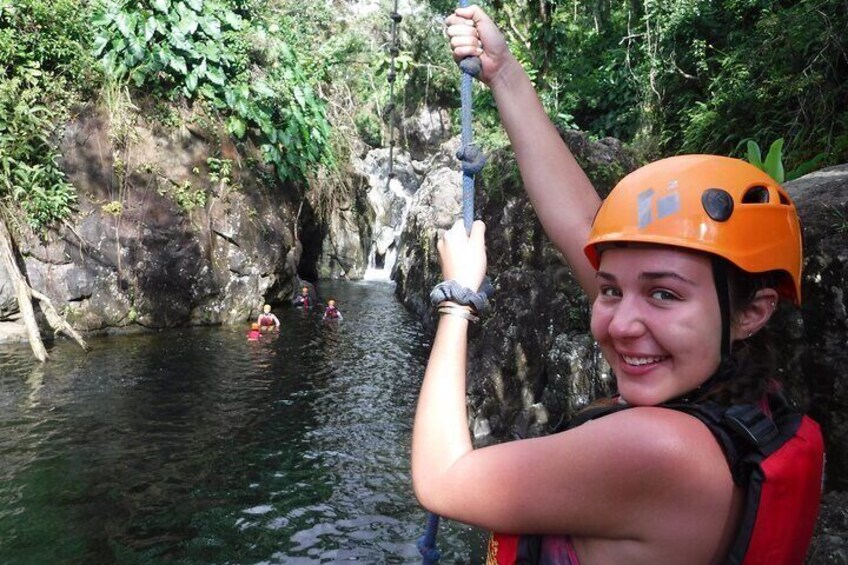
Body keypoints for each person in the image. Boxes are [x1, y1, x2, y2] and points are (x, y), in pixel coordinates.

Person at [410, 6, 823, 564]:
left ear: (753, 311)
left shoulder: (663, 450)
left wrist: (456, 299)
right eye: (609, 290)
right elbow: (586, 226)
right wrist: (504, 74)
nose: (622, 323)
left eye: (664, 294)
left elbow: (444, 479)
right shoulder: (746, 401)